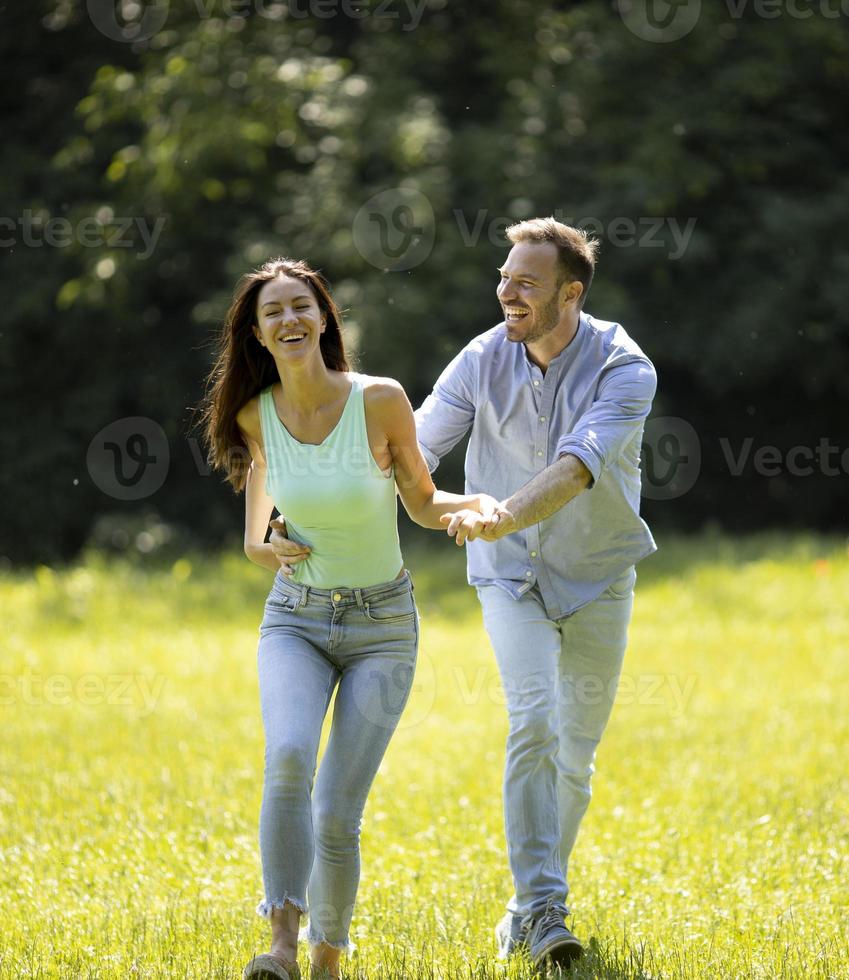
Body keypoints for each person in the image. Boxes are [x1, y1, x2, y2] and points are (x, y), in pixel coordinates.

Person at [271, 218, 657, 970]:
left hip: (598, 576)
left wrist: (501, 511)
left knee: (576, 757)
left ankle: (525, 906)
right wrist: (299, 505)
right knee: (536, 721)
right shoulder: (481, 359)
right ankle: (547, 907)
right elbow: (399, 450)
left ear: (569, 295)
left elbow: (580, 468)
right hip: (508, 577)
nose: (506, 292)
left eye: (526, 284)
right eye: (505, 276)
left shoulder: (623, 367)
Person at [196, 258, 499, 980]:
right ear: (257, 334)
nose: (290, 320)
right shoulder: (253, 414)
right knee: (289, 759)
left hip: (382, 628)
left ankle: (328, 957)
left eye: (302, 306)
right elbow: (254, 535)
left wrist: (478, 505)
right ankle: (280, 943)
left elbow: (422, 502)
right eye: (274, 313)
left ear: (325, 317)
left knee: (335, 808)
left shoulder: (380, 402)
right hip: (296, 619)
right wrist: (270, 540)